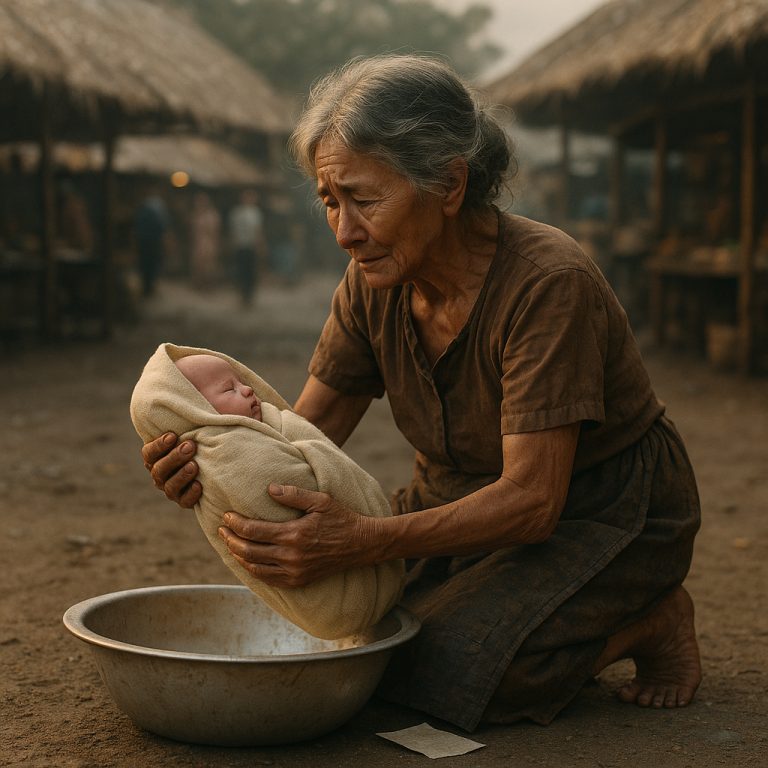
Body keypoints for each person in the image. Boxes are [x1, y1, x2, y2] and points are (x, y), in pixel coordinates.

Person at [141, 55, 702, 732]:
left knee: (444, 668)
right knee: (352, 638)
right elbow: (299, 433)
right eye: (329, 201)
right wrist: (213, 462)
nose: (344, 231)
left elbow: (531, 501)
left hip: (603, 511)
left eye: (364, 198)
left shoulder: (548, 284)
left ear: (448, 183)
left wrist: (363, 541)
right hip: (456, 500)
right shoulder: (371, 281)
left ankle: (649, 618)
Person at [130, 342, 403, 640]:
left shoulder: (256, 429)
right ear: (193, 412)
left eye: (244, 383)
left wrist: (370, 536)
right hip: (350, 593)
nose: (248, 391)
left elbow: (296, 444)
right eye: (228, 389)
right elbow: (269, 477)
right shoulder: (226, 451)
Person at [228, 189, 266, 305]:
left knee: (251, 272)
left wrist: (260, 246)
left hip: (251, 246)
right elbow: (233, 231)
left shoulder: (256, 213)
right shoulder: (236, 213)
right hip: (240, 246)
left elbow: (258, 231)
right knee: (241, 271)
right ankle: (242, 296)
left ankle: (249, 297)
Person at [134, 187, 170, 297]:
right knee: (151, 264)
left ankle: (147, 287)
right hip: (151, 241)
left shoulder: (145, 206)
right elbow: (163, 225)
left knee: (147, 264)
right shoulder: (157, 206)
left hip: (146, 241)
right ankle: (148, 287)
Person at [189, 192, 221, 290]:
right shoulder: (196, 214)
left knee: (209, 266)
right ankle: (199, 285)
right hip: (198, 242)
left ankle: (208, 285)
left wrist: (214, 243)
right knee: (198, 265)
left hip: (208, 242)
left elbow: (214, 231)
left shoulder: (211, 215)